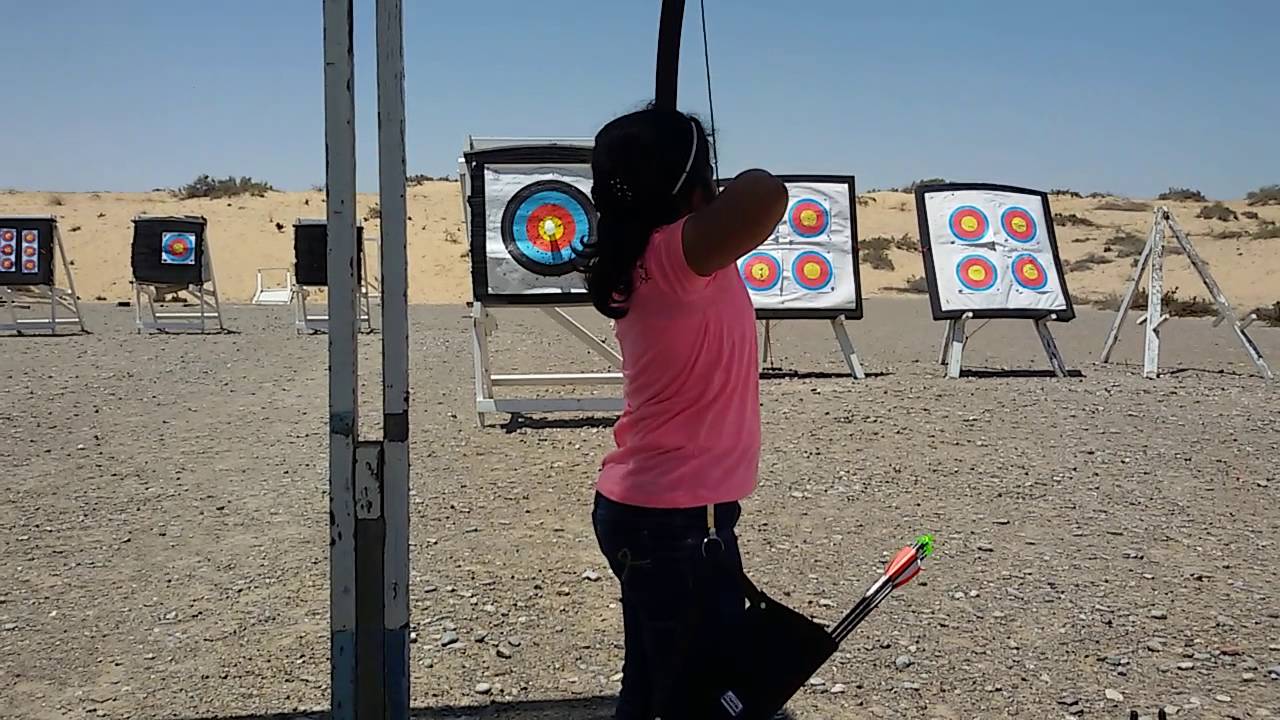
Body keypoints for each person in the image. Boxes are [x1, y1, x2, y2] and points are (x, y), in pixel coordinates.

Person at [578, 105, 788, 720]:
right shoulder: (676, 257)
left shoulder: (650, 253)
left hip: (654, 513)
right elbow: (767, 192)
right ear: (688, 189)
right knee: (706, 701)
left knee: (652, 688)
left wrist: (690, 179)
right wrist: (704, 192)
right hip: (676, 524)